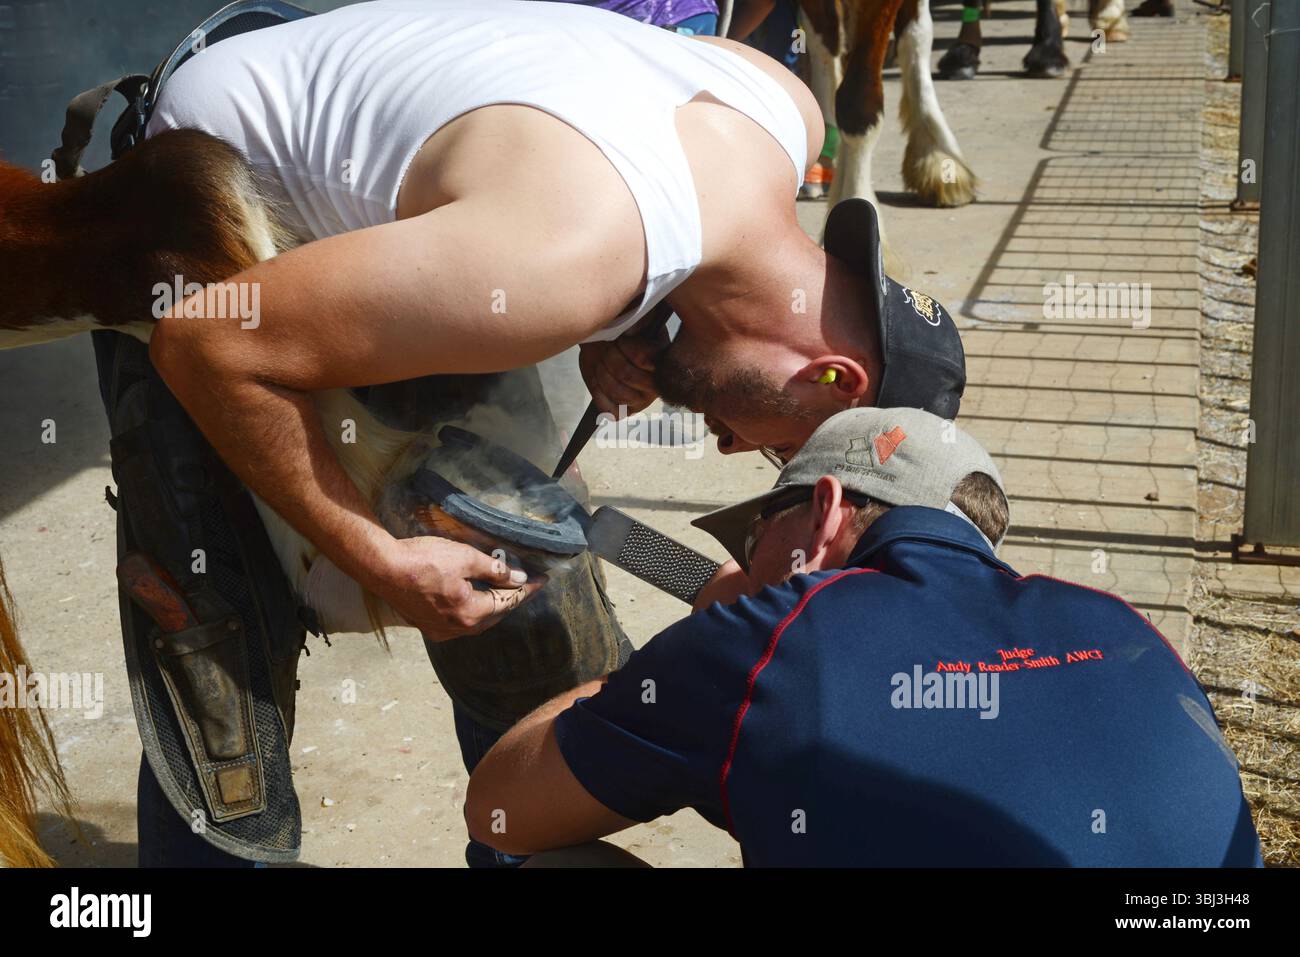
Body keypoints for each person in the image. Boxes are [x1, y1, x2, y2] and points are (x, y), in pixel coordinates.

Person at [70, 0, 963, 865]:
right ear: (831, 375)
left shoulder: (783, 108)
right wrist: (379, 557)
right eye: (778, 449)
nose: (732, 452)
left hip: (422, 223)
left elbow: (581, 154)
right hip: (208, 204)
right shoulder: (560, 260)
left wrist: (630, 321)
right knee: (219, 666)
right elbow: (209, 345)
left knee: (526, 604)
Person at [464, 407, 1264, 867]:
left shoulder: (770, 642)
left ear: (826, 506)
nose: (744, 567)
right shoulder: (1123, 625)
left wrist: (721, 626)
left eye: (752, 539)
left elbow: (498, 807)